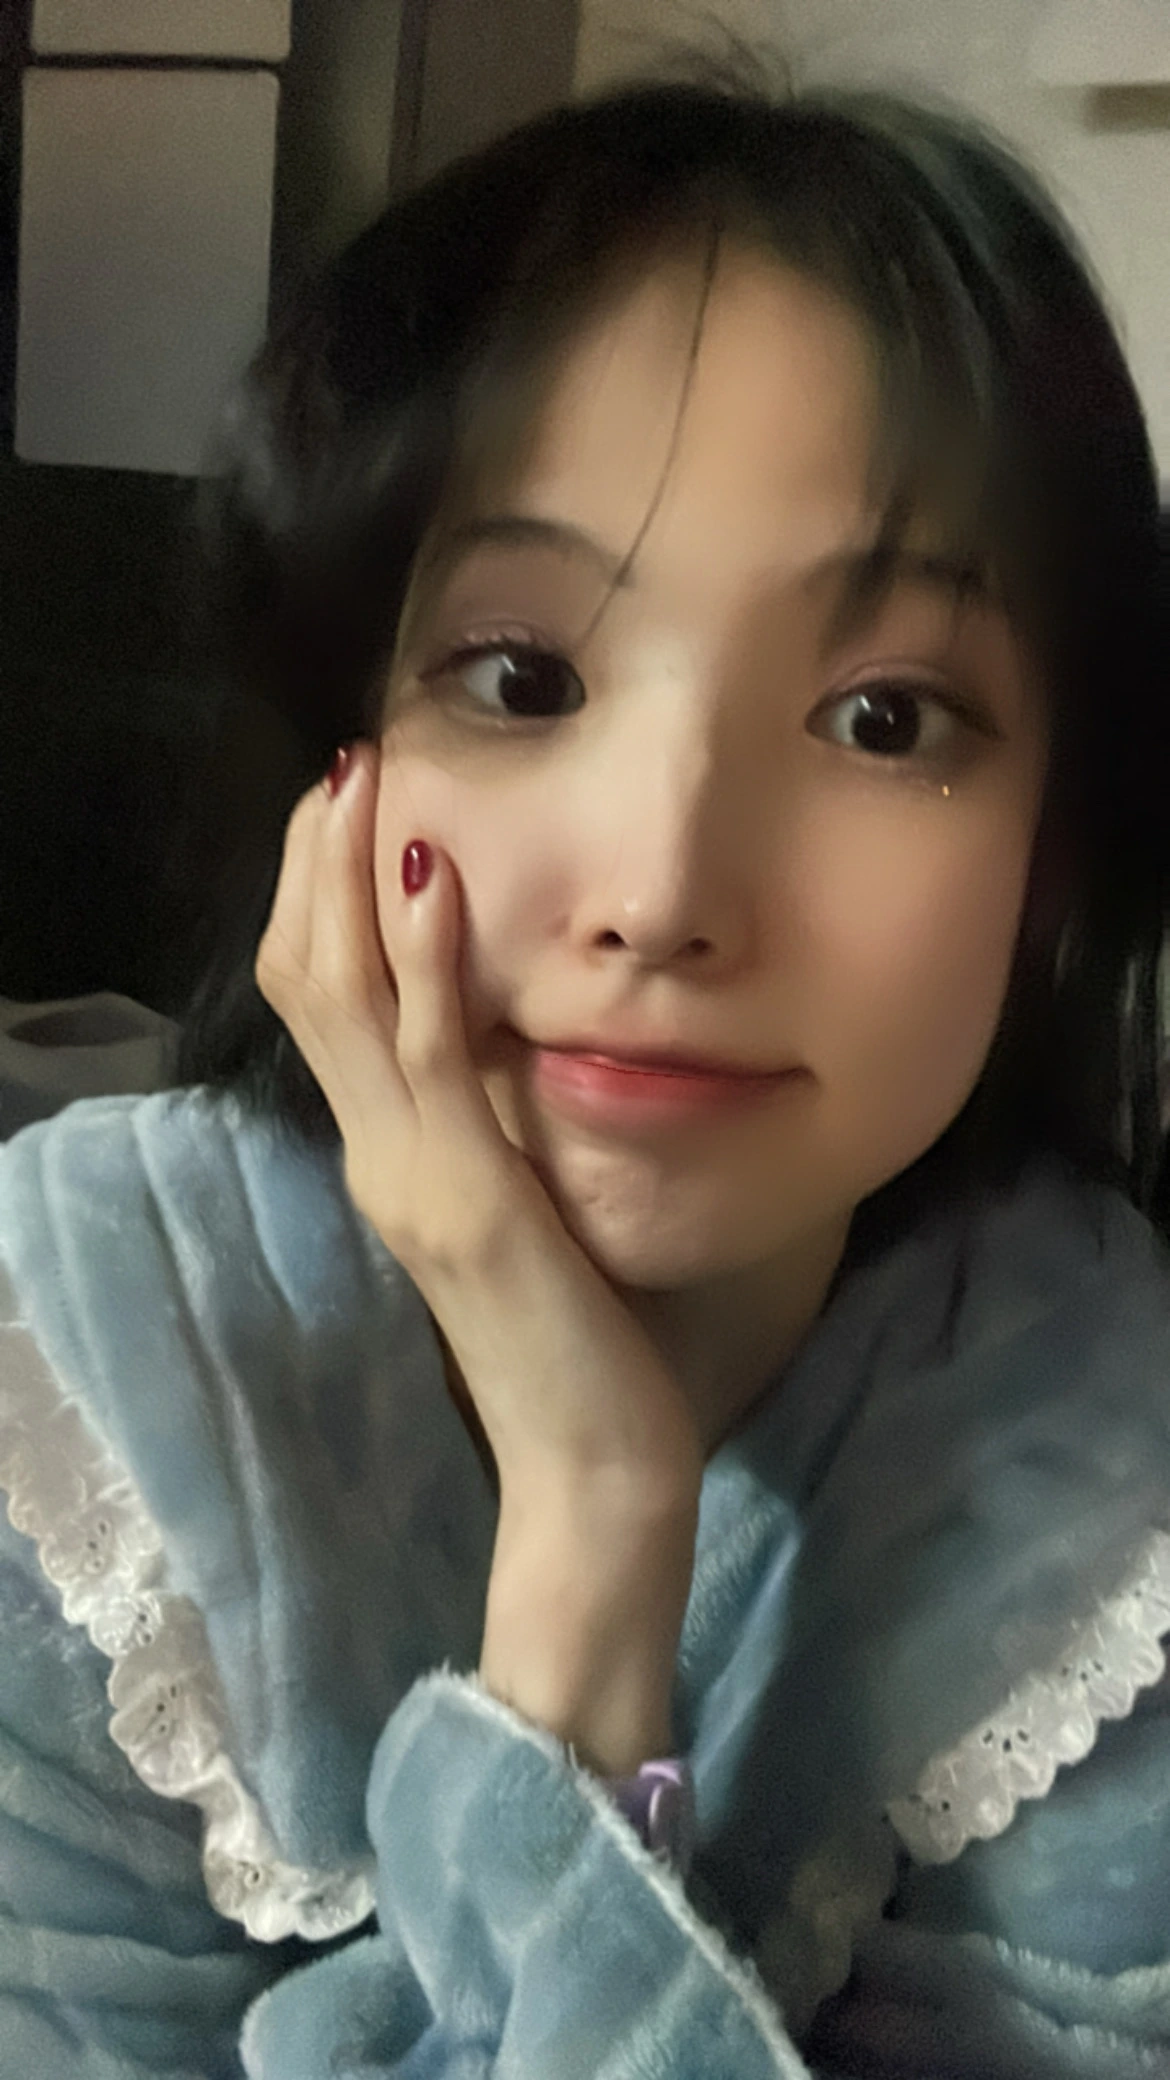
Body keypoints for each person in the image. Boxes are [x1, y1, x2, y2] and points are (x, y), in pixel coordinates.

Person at [1, 64, 1169, 2080]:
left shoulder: (1090, 1430)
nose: (661, 894)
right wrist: (595, 1522)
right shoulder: (93, 1360)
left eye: (885, 717)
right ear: (336, 760)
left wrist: (594, 1530)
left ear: (1055, 852)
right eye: (519, 676)